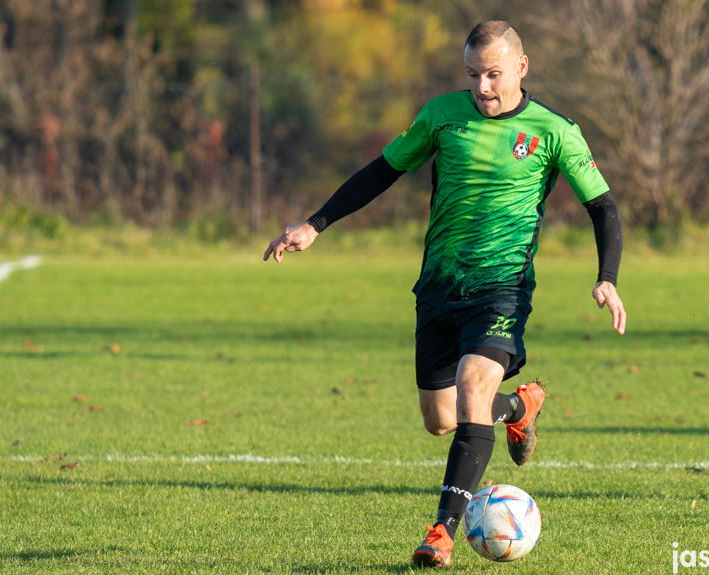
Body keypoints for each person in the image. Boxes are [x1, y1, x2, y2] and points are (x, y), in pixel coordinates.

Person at [264, 20, 626, 568]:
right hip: (438, 288)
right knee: (442, 418)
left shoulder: (554, 131)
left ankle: (441, 532)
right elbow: (381, 172)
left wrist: (608, 276)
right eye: (473, 75)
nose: (482, 88)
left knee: (472, 387)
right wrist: (316, 223)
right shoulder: (440, 115)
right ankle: (521, 407)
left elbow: (602, 207)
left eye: (494, 75)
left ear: (522, 69)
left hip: (501, 290)